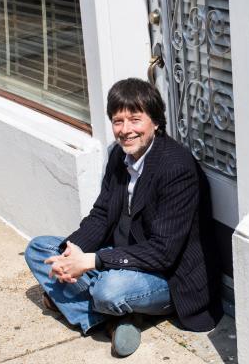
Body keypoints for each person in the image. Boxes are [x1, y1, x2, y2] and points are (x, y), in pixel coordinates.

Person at [24, 78, 222, 357]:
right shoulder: (120, 155)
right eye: (118, 121)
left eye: (135, 119)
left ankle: (100, 309)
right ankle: (116, 320)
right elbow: (102, 214)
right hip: (124, 255)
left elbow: (163, 253)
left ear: (155, 121)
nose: (125, 130)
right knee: (40, 249)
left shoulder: (177, 169)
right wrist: (73, 251)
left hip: (168, 276)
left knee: (109, 289)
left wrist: (91, 262)